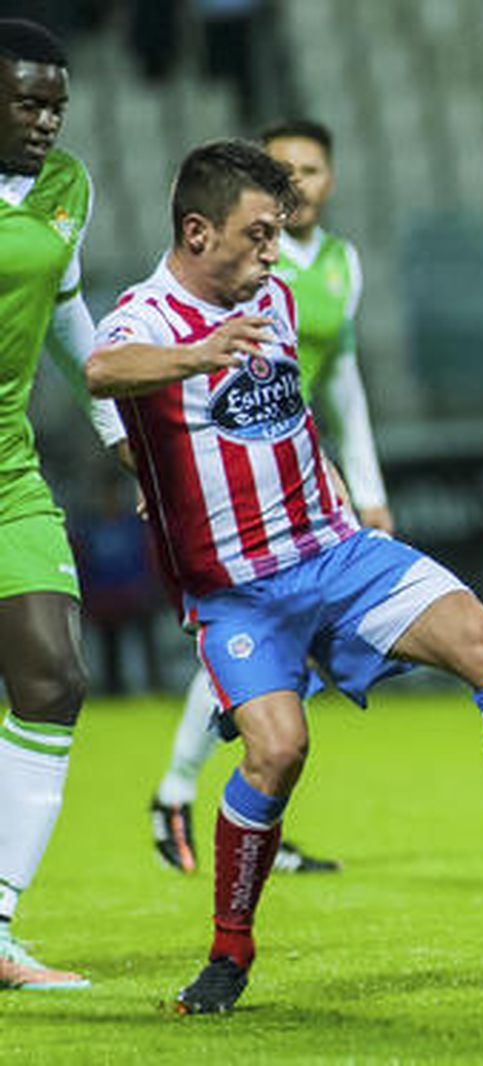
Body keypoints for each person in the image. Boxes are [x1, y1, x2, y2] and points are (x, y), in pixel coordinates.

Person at [85, 139, 483, 1015]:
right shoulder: (144, 320)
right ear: (195, 230)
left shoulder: (279, 297)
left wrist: (334, 479)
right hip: (237, 588)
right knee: (278, 749)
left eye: (279, 233)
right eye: (257, 234)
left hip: (337, 552)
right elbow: (103, 372)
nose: (272, 251)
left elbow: (284, 412)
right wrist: (198, 354)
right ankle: (228, 952)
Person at [149, 118, 385, 877]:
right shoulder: (240, 266)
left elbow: (343, 380)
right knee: (244, 640)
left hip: (298, 472)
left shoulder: (341, 266)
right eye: (284, 170)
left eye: (311, 169)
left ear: (331, 179)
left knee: (280, 653)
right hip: (220, 467)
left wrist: (365, 485)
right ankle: (178, 795)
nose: (299, 183)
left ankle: (237, 812)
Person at [0, 17, 124, 992]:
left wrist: (123, 438)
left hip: (8, 470)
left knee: (52, 677)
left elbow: (71, 319)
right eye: (26, 100)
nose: (46, 121)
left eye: (56, 105)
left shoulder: (64, 187)